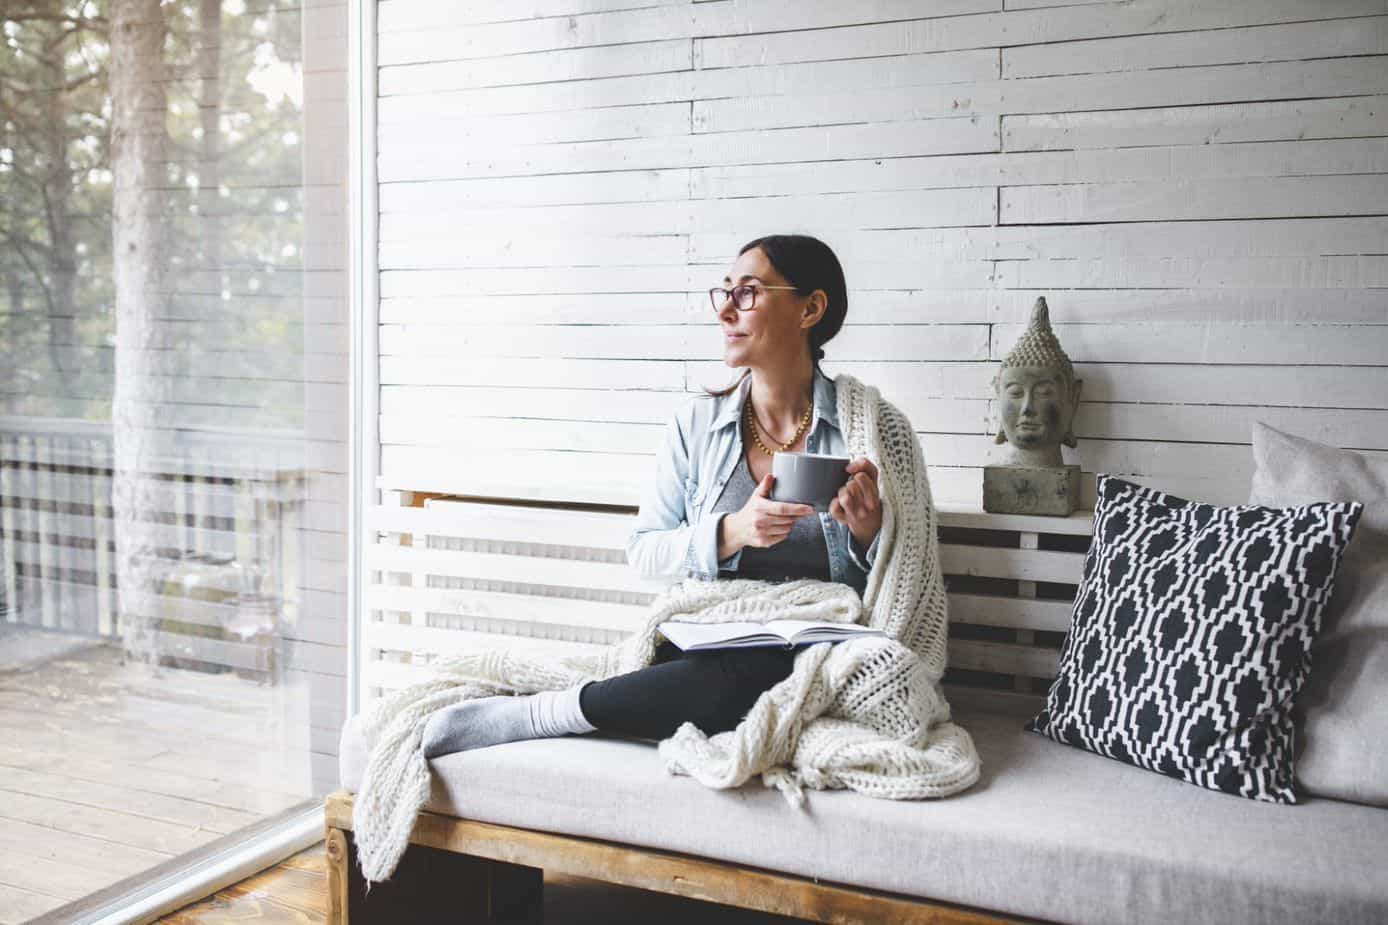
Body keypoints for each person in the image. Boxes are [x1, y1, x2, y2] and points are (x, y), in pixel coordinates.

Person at [421, 234, 885, 758]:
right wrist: (734, 532)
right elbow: (645, 552)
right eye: (725, 292)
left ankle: (556, 712)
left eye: (749, 293)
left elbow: (902, 587)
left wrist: (868, 536)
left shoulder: (869, 429)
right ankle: (558, 710)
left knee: (763, 673)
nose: (727, 311)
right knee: (727, 673)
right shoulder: (696, 426)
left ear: (811, 308)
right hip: (712, 637)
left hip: (820, 646)